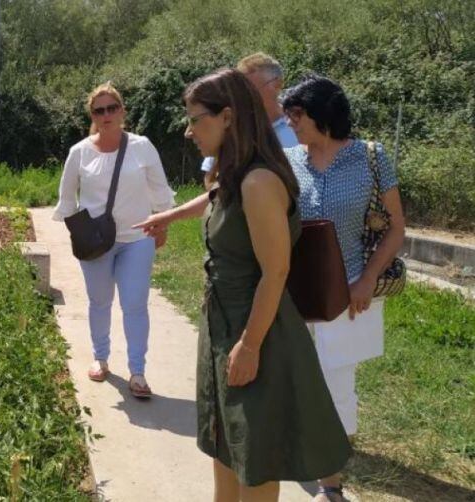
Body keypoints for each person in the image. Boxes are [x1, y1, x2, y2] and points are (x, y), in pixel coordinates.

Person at [181, 69, 350, 501]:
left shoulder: (258, 182)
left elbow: (275, 272)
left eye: (195, 118)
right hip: (224, 328)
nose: (188, 130)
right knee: (225, 446)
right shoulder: (230, 178)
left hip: (256, 332)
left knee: (255, 457)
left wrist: (250, 345)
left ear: (227, 117)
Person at [281, 75, 405, 502]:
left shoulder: (370, 156)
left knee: (337, 384)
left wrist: (367, 278)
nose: (291, 123)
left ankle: (330, 483)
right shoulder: (288, 160)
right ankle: (300, 454)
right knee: (296, 378)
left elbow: (396, 228)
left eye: (296, 114)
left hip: (349, 292)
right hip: (295, 292)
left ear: (321, 113)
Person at [52, 82, 175, 398]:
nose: (106, 115)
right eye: (99, 110)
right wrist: (77, 234)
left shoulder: (142, 146)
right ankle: (101, 358)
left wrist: (162, 226)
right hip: (95, 243)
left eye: (111, 108)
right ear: (92, 115)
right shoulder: (79, 152)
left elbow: (160, 190)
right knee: (100, 301)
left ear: (122, 111)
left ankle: (137, 372)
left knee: (135, 304)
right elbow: (66, 201)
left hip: (137, 238)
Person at [200, 53, 299, 185]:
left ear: (278, 85)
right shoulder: (231, 129)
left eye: (252, 89)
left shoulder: (301, 126)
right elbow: (211, 179)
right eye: (240, 91)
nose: (244, 97)